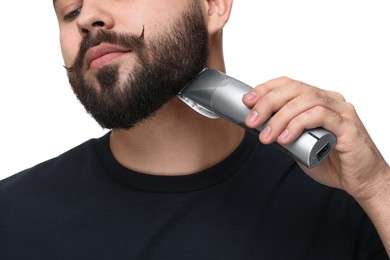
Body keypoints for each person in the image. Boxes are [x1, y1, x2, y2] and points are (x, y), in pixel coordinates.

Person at [1, 0, 389, 258]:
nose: (87, 17)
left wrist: (375, 187)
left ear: (213, 6)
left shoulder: (341, 191)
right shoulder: (11, 219)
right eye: (69, 11)